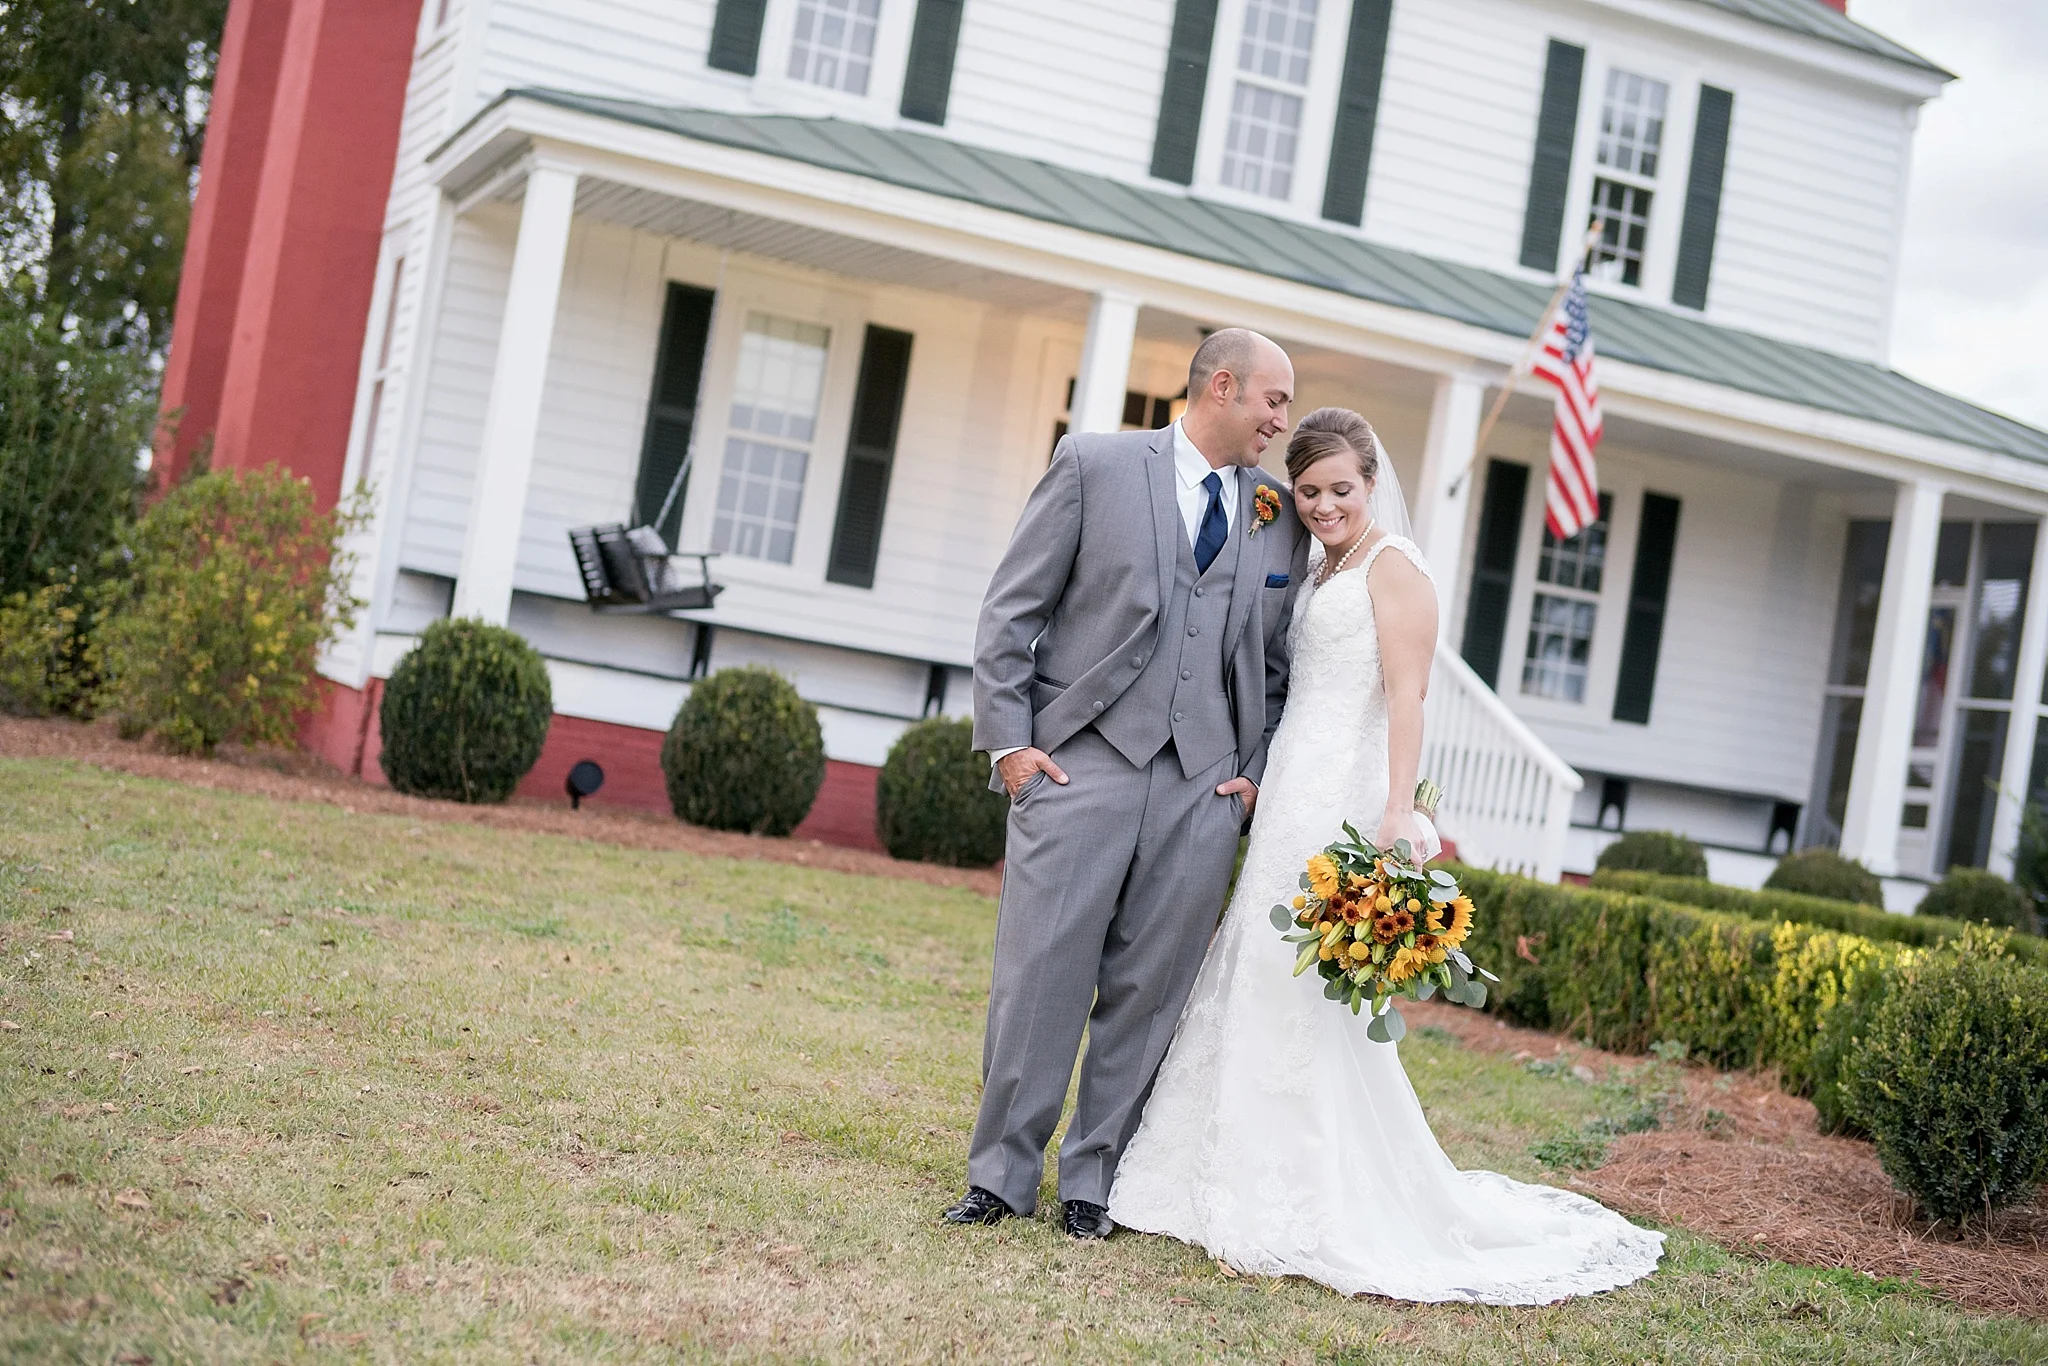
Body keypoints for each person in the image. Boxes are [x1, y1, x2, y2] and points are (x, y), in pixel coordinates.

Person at [1107, 407, 1665, 1303]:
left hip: (1344, 796)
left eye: (1341, 490)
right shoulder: (1323, 564)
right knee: (1256, 964)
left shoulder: (1395, 567)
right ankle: (1206, 1177)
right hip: (1291, 783)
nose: (1323, 505)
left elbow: (1408, 699)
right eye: (1311, 490)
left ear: (1372, 484)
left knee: (1300, 987)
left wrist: (1399, 809)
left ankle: (1303, 1196)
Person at [944, 329, 1312, 1239]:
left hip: (1201, 788)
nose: (1281, 420)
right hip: (1081, 764)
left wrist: (1251, 775)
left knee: (1151, 991)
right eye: (1273, 400)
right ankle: (1000, 1175)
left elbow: (1274, 666)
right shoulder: (1093, 465)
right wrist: (1012, 750)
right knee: (1040, 978)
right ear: (1221, 387)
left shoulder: (1276, 511)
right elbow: (1010, 612)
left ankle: (1094, 1183)